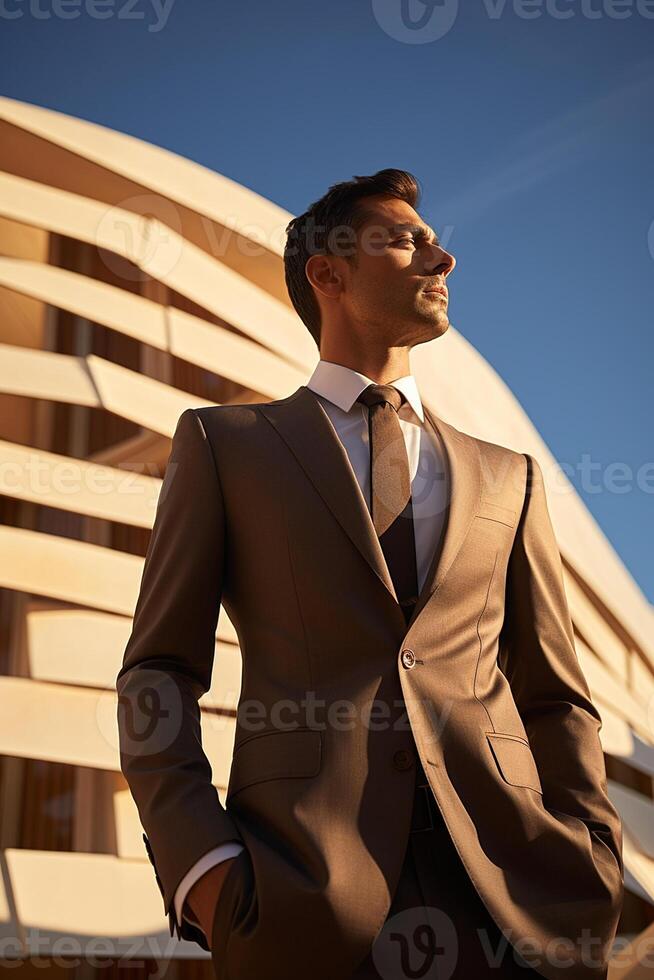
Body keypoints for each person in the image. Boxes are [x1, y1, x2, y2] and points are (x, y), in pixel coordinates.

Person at [116, 169, 623, 979]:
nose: (442, 259)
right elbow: (158, 669)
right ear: (329, 274)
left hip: (518, 902)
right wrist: (200, 866)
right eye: (407, 240)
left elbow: (555, 692)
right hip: (302, 899)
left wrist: (590, 851)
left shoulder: (508, 476)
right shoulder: (226, 444)